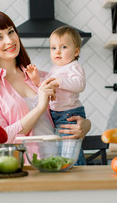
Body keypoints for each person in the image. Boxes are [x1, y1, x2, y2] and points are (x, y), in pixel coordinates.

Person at [0, 10, 91, 149]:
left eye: (11, 32)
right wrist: (40, 107)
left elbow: (68, 106)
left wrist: (86, 125)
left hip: (57, 160)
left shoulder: (41, 77)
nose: (10, 40)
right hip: (24, 165)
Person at [25, 26, 87, 165]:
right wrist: (36, 80)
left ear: (76, 51)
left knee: (70, 151)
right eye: (53, 48)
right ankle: (67, 172)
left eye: (63, 47)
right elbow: (46, 85)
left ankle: (78, 172)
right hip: (55, 114)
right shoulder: (55, 69)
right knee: (61, 150)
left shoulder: (74, 66)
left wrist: (59, 81)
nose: (57, 51)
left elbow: (79, 85)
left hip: (69, 114)